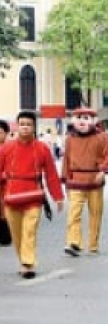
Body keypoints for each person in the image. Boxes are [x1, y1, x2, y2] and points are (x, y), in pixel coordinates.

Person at [0, 111, 63, 279]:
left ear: (34, 127)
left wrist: (58, 196)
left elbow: (51, 174)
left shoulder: (42, 149)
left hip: (33, 195)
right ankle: (23, 261)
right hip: (11, 197)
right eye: (22, 124)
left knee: (29, 230)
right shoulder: (7, 148)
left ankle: (28, 263)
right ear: (17, 126)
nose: (25, 127)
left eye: (28, 124)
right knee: (16, 233)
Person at [61, 105, 108, 256]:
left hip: (95, 180)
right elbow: (66, 160)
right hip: (76, 180)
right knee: (74, 213)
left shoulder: (102, 137)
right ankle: (73, 242)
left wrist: (103, 170)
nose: (82, 121)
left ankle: (93, 245)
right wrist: (66, 179)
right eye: (79, 118)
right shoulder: (69, 139)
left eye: (85, 118)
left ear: (93, 121)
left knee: (95, 214)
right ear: (74, 120)